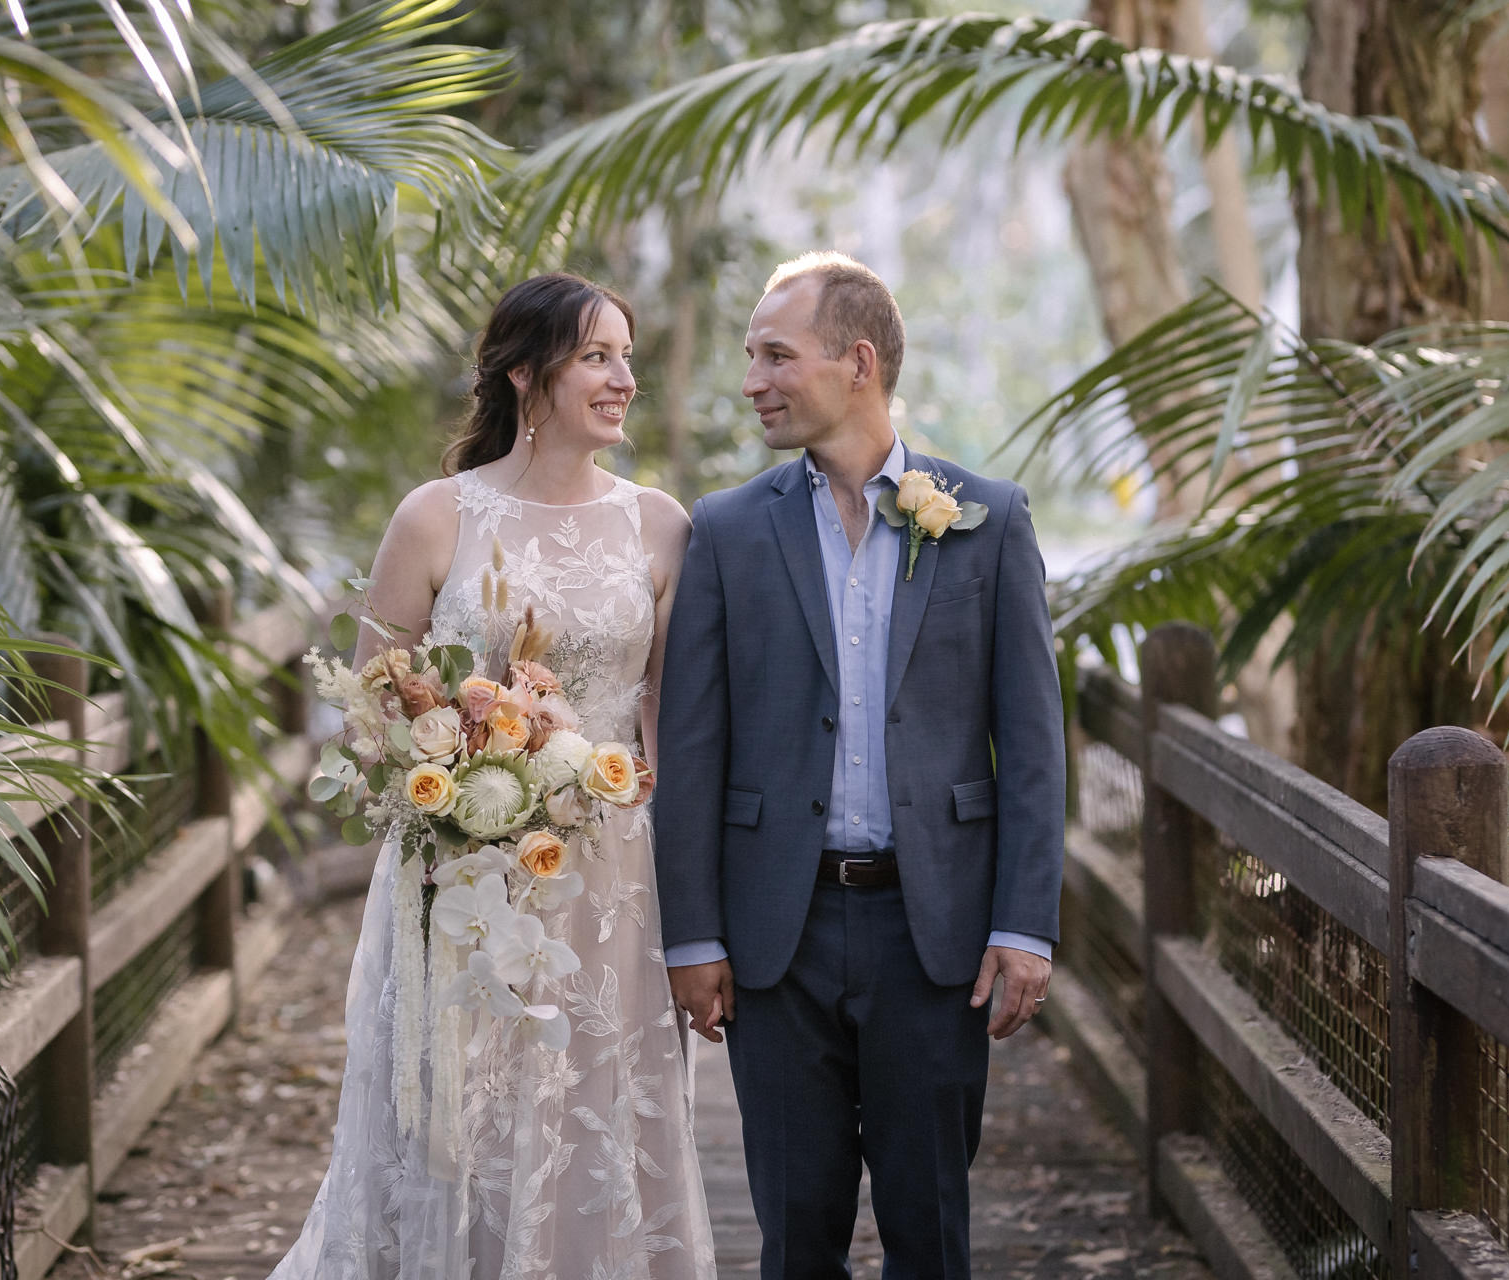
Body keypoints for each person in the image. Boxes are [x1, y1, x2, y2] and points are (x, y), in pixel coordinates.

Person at [269, 273, 716, 1280]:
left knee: (588, 1103)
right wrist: (467, 763)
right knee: (450, 1115)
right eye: (598, 356)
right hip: (455, 868)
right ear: (526, 372)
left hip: (606, 874)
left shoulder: (660, 527)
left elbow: (669, 726)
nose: (624, 379)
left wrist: (694, 906)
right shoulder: (436, 517)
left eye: (628, 357)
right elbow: (371, 708)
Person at [654, 251, 1065, 1279]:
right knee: (795, 1233)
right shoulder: (727, 529)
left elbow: (1033, 744)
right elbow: (693, 744)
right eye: (750, 357)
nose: (752, 380)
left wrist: (1024, 923)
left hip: (934, 933)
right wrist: (692, 933)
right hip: (773, 937)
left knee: (930, 1226)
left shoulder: (988, 519)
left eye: (776, 356)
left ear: (860, 362)